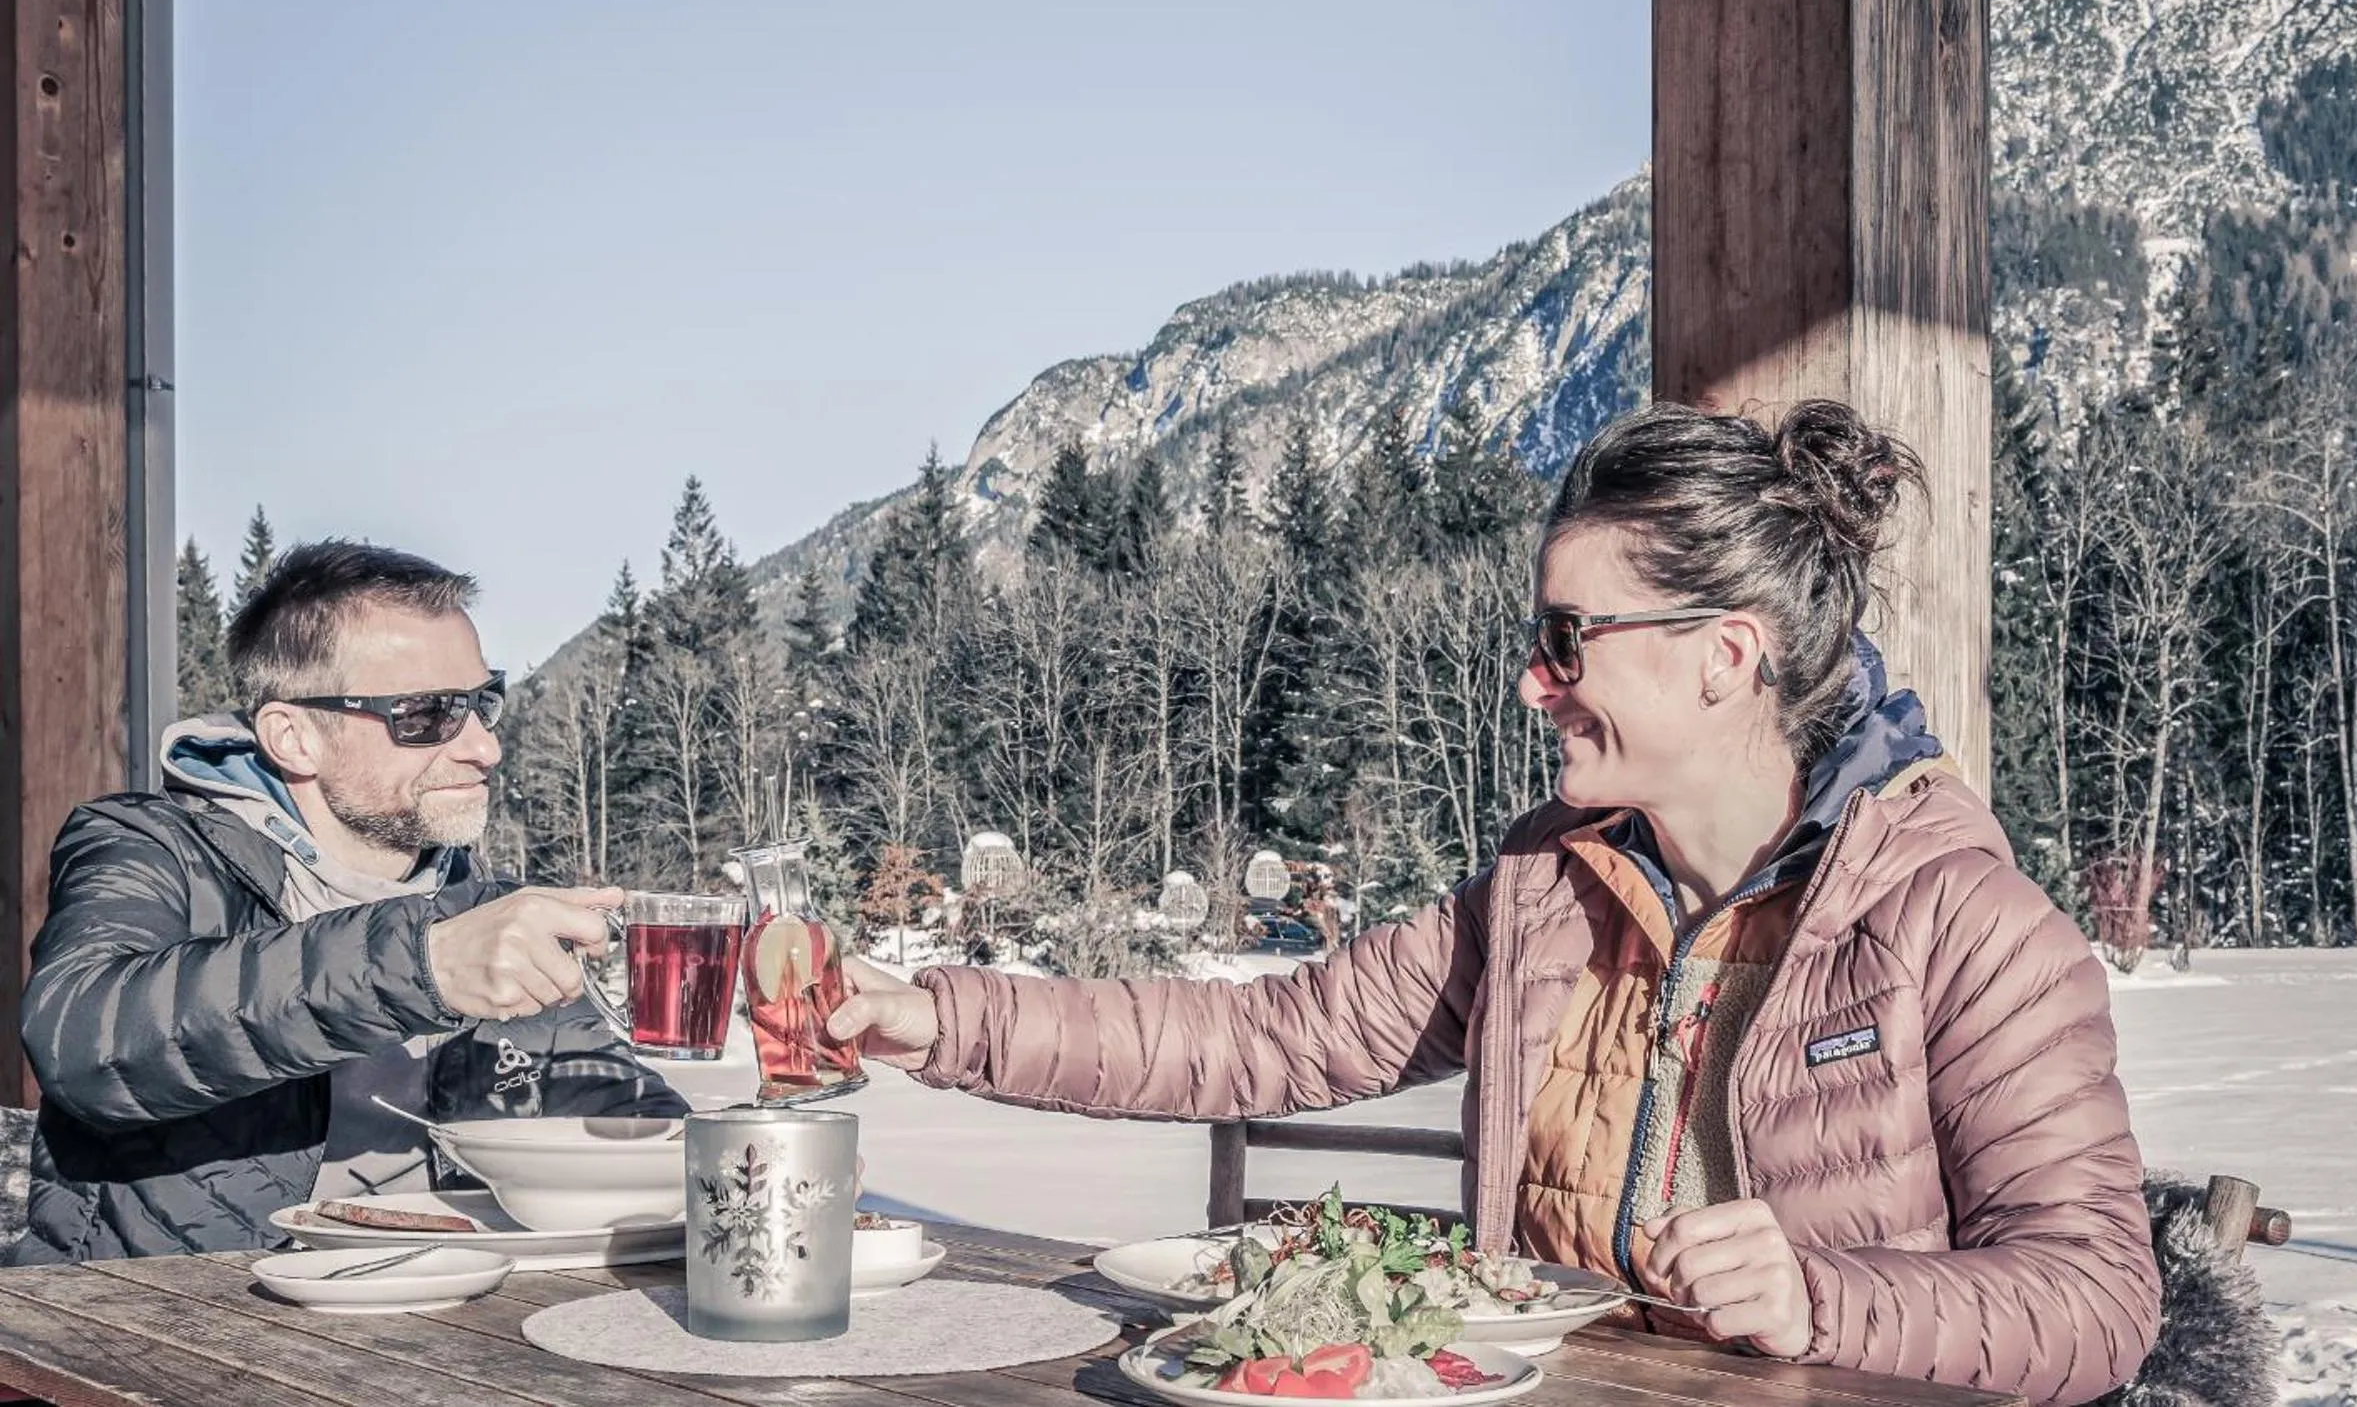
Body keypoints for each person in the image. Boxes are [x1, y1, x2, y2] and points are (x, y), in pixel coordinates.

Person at [830, 400, 2161, 1407]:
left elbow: (2099, 1296)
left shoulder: (1963, 924)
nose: (1535, 681)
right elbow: (1258, 1039)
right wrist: (932, 1014)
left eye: (1568, 638)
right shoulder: (1542, 888)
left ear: (1726, 655)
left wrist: (1823, 1295)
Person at [7, 542, 683, 1264]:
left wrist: (781, 1099)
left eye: (483, 702)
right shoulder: (152, 845)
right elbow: (83, 1041)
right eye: (427, 713)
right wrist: (421, 963)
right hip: (161, 1335)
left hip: (440, 1336)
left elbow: (636, 1130)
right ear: (293, 737)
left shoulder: (492, 910)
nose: (484, 747)